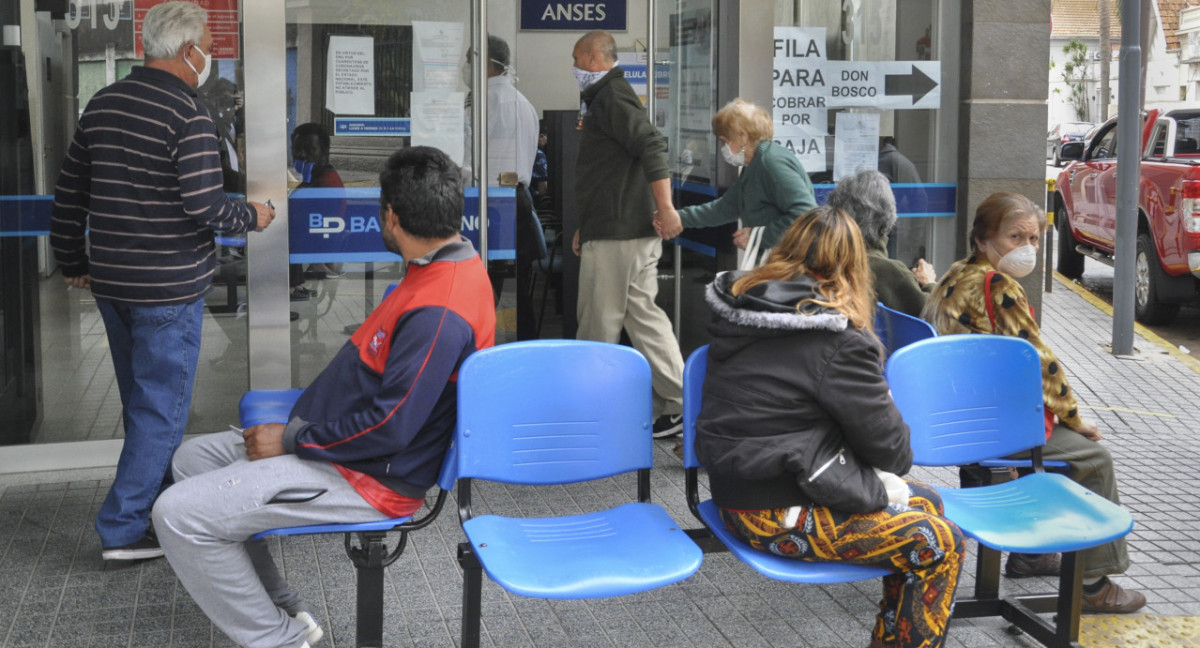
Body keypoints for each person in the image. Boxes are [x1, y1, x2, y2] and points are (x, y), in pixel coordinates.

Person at [152, 146, 496, 648]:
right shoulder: (438, 263)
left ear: (392, 217)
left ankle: (280, 640)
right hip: (334, 443)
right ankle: (284, 609)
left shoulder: (439, 310)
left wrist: (293, 439)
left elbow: (391, 427)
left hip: (368, 477)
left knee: (175, 515)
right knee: (191, 459)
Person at [49, 0, 275, 562]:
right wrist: (253, 216)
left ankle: (156, 507)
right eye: (209, 50)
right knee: (161, 410)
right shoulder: (187, 113)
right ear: (188, 51)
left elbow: (69, 195)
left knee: (143, 405)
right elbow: (204, 205)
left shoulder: (102, 103)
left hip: (114, 285)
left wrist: (73, 259)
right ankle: (124, 529)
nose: (211, 60)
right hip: (167, 292)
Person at [695, 205, 965, 648]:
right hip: (776, 513)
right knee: (941, 543)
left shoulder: (744, 307)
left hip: (738, 490)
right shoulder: (835, 339)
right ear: (855, 268)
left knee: (929, 501)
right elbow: (894, 455)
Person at [921, 191, 1146, 614]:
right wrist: (1075, 418)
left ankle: (1033, 555)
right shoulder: (998, 286)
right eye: (1014, 237)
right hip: (985, 426)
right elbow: (1041, 363)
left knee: (1060, 446)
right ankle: (1094, 584)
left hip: (953, 417)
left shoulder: (956, 273)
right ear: (983, 240)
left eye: (1035, 238)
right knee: (1094, 457)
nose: (1027, 249)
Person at [570, 30, 686, 438]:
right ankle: (679, 402)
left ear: (593, 58)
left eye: (577, 60)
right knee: (645, 320)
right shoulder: (606, 97)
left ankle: (590, 414)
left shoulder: (612, 97)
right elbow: (611, 171)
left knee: (598, 325)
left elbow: (651, 145)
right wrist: (589, 223)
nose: (575, 69)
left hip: (620, 237)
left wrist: (667, 207)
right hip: (622, 229)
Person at [675, 98, 816, 267]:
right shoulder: (755, 165)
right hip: (776, 264)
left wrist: (759, 237)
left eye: (726, 141)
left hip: (788, 266)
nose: (724, 148)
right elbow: (724, 208)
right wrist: (676, 218)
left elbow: (805, 212)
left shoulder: (770, 163)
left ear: (742, 136)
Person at [466, 34, 543, 340]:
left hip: (492, 202)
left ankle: (480, 356)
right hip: (517, 200)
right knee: (516, 289)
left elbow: (469, 158)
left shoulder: (487, 103)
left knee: (485, 288)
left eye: (470, 60)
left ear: (487, 64)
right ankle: (526, 353)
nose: (465, 67)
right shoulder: (522, 102)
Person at [827, 170, 935, 316]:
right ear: (887, 219)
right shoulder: (890, 273)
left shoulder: (826, 259)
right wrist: (929, 284)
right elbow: (937, 317)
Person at [288, 122, 345, 300]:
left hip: (320, 239)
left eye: (310, 149)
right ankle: (296, 283)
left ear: (324, 152)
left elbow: (302, 219)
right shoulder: (313, 177)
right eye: (297, 149)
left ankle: (291, 285)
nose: (302, 155)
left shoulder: (326, 182)